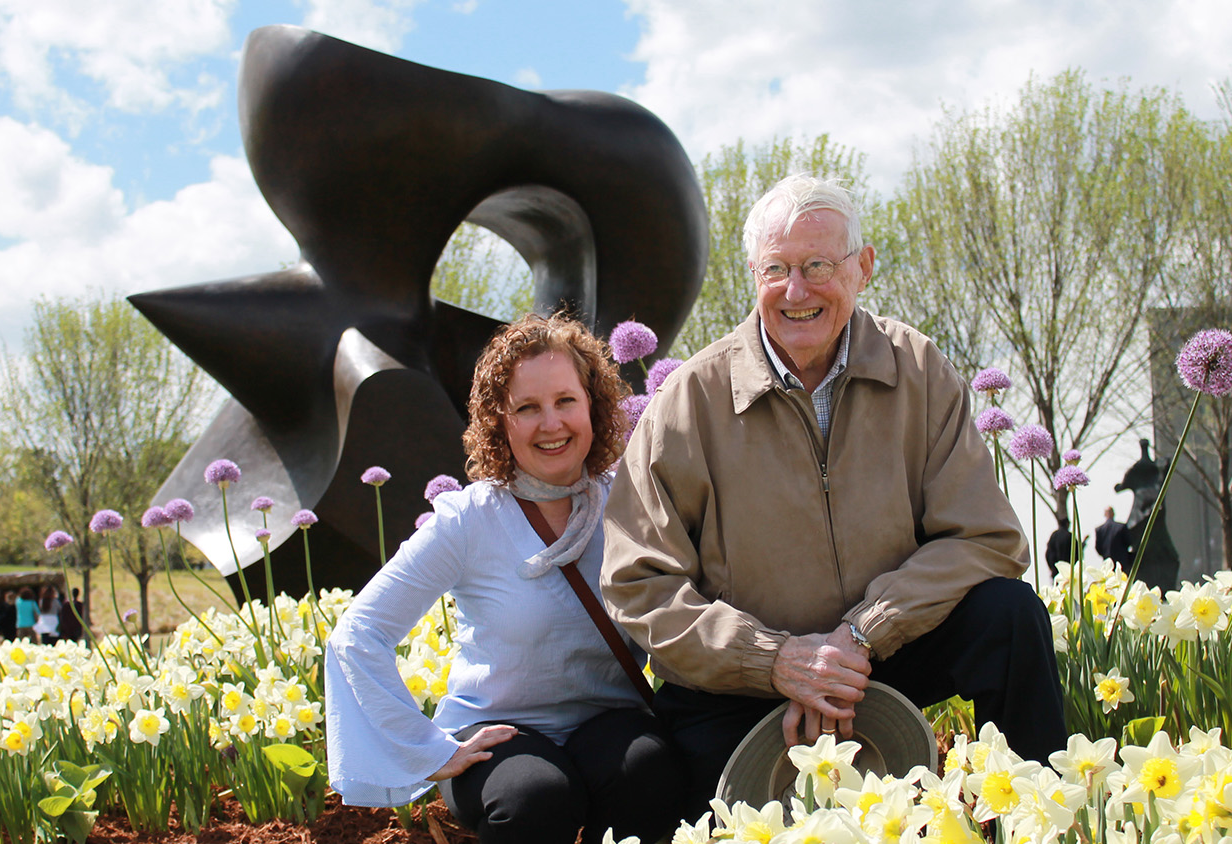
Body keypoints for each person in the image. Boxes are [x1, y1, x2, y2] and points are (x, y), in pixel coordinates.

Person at [601, 175, 1067, 818]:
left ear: (863, 267)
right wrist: (775, 661)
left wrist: (862, 633)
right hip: (740, 684)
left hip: (880, 656)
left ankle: (1035, 819)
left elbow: (986, 539)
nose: (797, 291)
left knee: (1010, 617)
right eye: (777, 269)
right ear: (752, 274)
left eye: (818, 265)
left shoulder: (920, 371)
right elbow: (639, 585)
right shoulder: (689, 401)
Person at [326, 313, 684, 844]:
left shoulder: (630, 502)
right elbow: (357, 634)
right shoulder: (468, 521)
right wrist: (431, 749)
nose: (551, 423)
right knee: (535, 799)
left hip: (610, 721)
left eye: (565, 401)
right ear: (501, 421)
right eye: (527, 408)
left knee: (650, 774)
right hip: (500, 732)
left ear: (594, 405)